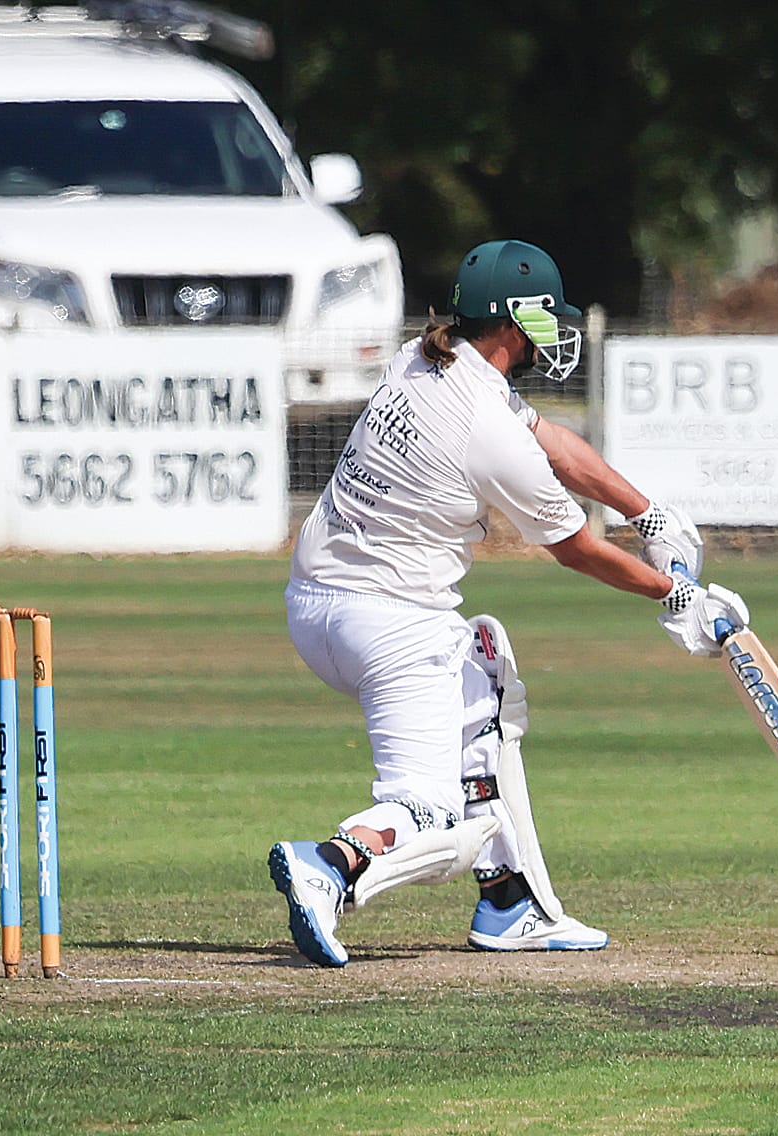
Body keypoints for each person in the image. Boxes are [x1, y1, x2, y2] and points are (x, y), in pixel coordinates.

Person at [269, 238, 750, 967]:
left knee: (484, 682)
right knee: (432, 818)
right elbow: (575, 549)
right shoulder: (485, 431)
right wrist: (677, 595)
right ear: (513, 319)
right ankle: (332, 865)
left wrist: (649, 517)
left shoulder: (421, 358)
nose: (553, 331)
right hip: (394, 627)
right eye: (544, 316)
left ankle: (508, 903)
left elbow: (550, 439)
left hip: (315, 604)